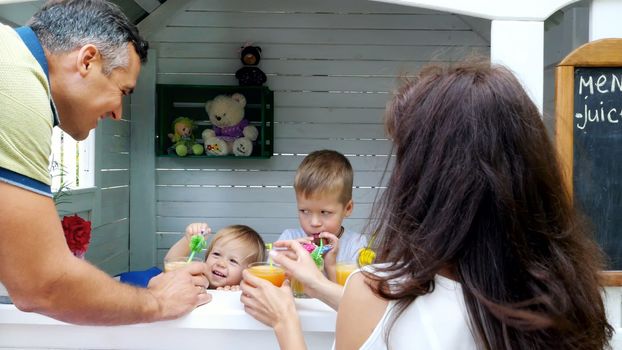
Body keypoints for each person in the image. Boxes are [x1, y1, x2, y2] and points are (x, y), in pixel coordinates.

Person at [240, 61, 613, 349]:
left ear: (428, 180)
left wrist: (285, 319)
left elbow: (383, 311)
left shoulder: (372, 292)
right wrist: (313, 282)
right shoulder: (568, 299)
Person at [0, 0, 211, 325]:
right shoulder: (18, 88)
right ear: (87, 60)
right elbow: (42, 285)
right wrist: (157, 303)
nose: (118, 112)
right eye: (123, 92)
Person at [277, 149, 367, 282]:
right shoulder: (289, 240)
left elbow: (353, 299)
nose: (314, 223)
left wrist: (330, 266)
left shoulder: (356, 246)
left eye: (325, 212)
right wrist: (289, 266)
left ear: (347, 208)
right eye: (305, 211)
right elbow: (273, 284)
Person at [165, 223, 266, 291]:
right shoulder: (196, 277)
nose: (220, 263)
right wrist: (188, 240)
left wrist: (237, 295)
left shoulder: (240, 291)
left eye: (233, 261)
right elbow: (171, 262)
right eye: (216, 254)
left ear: (247, 275)